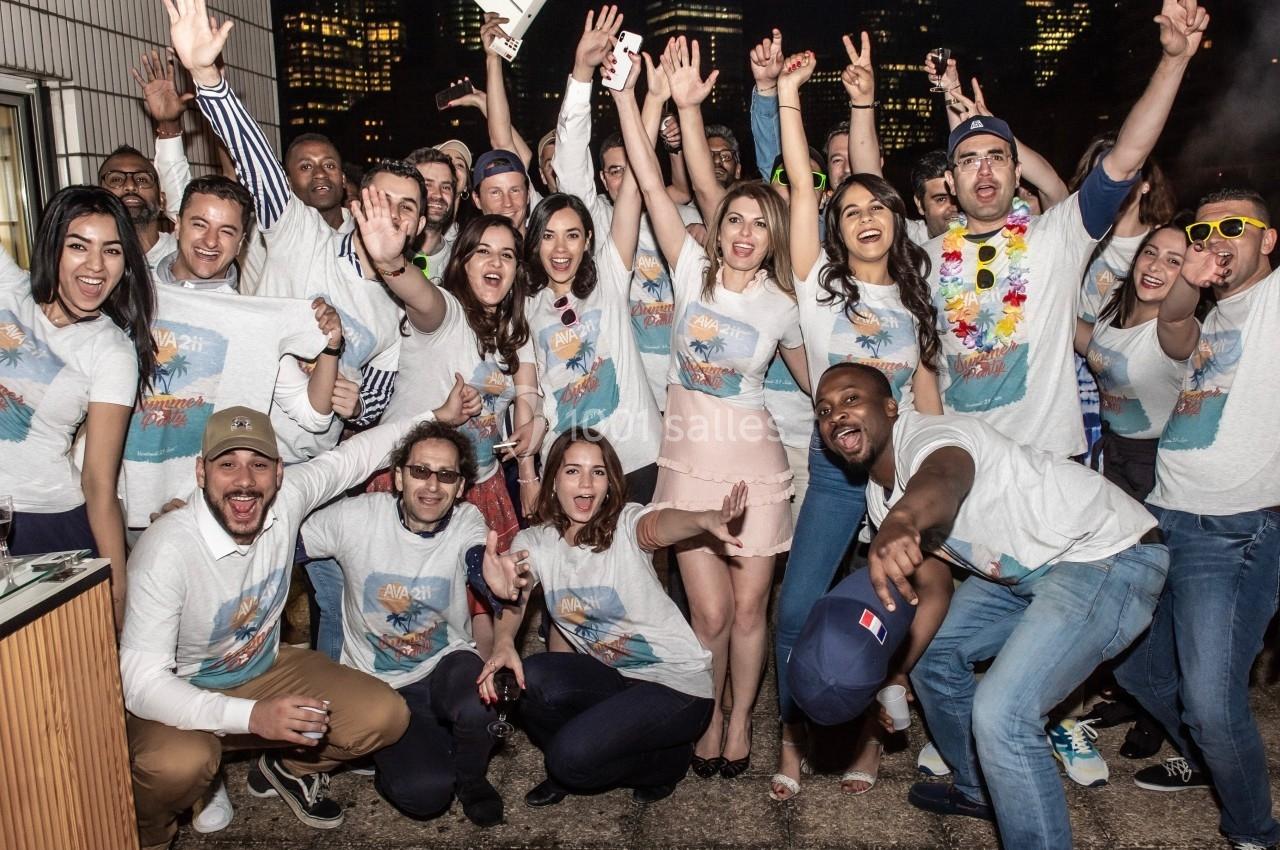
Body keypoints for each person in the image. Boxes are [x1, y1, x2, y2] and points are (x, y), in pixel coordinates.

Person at [815, 362, 1167, 850]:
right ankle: (981, 790)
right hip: (1023, 571)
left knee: (1003, 714)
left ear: (891, 408)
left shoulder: (935, 437)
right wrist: (897, 669)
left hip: (1105, 555)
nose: (836, 415)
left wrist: (903, 521)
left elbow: (944, 478)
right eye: (825, 410)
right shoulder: (879, 496)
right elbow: (933, 587)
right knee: (934, 659)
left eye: (851, 399)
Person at [120, 376, 479, 849]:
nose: (245, 480)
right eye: (228, 465)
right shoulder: (167, 547)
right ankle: (151, 836)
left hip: (263, 668)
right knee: (177, 765)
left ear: (280, 472)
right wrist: (253, 717)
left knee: (383, 714)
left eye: (259, 465)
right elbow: (142, 683)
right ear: (201, 472)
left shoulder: (286, 501)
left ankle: (291, 768)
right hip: (181, 687)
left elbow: (355, 455)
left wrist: (437, 416)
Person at [616, 36, 805, 779]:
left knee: (752, 612)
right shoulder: (689, 267)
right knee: (711, 615)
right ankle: (707, 708)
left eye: (760, 224)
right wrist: (633, 95)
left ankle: (736, 722)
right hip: (686, 470)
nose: (745, 233)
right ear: (721, 226)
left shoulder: (782, 306)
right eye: (736, 220)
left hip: (755, 470)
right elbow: (657, 183)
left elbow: (820, 386)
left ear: (771, 237)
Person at [769, 48, 949, 801]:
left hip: (904, 469)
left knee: (890, 609)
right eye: (852, 212)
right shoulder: (816, 289)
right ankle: (790, 737)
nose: (866, 217)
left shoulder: (920, 287)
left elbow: (931, 395)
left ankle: (871, 741)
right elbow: (806, 184)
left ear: (894, 222)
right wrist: (786, 97)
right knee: (797, 608)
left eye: (878, 207)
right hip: (837, 473)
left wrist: (941, 467)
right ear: (835, 230)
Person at [1113, 189, 1280, 850]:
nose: (1217, 237)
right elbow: (1171, 322)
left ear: (1268, 240)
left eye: (1234, 227)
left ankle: (1255, 833)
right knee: (1133, 669)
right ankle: (1211, 761)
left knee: (1211, 702)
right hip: (1162, 519)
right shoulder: (1206, 317)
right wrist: (1190, 277)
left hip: (1233, 532)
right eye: (1206, 229)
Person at [476, 429, 724, 807]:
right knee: (531, 679)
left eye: (599, 472)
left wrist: (703, 519)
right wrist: (505, 639)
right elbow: (518, 592)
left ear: (611, 483)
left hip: (676, 686)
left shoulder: (625, 524)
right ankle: (585, 751)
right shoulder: (537, 542)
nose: (587, 483)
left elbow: (658, 526)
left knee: (570, 762)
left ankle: (664, 764)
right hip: (615, 677)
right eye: (573, 471)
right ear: (553, 478)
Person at [299, 421, 510, 826]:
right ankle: (399, 755)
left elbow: (476, 560)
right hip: (382, 685)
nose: (432, 486)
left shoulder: (467, 519)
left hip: (445, 664)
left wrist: (494, 580)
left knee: (480, 698)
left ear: (461, 486)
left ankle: (472, 779)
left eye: (446, 475)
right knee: (425, 796)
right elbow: (282, 546)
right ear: (397, 477)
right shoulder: (355, 518)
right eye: (420, 471)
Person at [122, 175, 343, 532]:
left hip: (205, 514)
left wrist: (332, 346)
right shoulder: (129, 295)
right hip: (118, 502)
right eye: (199, 224)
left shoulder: (252, 318)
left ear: (242, 240)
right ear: (176, 224)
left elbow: (313, 416)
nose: (211, 241)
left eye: (226, 231)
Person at [375, 208, 543, 653]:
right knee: (413, 607)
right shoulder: (446, 314)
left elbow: (529, 394)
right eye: (483, 251)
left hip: (482, 483)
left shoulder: (514, 329)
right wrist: (391, 261)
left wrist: (534, 433)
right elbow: (421, 296)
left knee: (489, 598)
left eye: (507, 255)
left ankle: (487, 684)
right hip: (415, 479)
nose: (496, 263)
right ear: (463, 260)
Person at [0, 185, 156, 622]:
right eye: (78, 246)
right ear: (52, 246)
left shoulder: (111, 351)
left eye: (111, 251)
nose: (94, 266)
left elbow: (99, 484)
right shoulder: (8, 289)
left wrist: (117, 595)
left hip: (43, 526)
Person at [405, 146, 461, 278]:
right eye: (428, 185)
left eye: (446, 187)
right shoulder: (387, 254)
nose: (438, 195)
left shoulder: (459, 264)